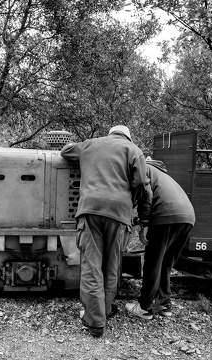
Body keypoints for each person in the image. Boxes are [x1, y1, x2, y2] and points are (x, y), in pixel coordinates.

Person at [60, 125, 148, 337]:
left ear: (110, 134)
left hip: (90, 210)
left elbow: (65, 151)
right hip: (119, 214)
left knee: (92, 266)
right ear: (127, 136)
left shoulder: (91, 144)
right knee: (111, 267)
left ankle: (95, 322)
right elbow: (141, 183)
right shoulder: (134, 150)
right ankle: (105, 311)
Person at [125, 158, 196, 320]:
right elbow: (160, 199)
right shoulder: (163, 175)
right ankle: (164, 305)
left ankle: (144, 307)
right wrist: (137, 221)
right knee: (165, 263)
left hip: (164, 217)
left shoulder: (144, 169)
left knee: (152, 262)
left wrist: (144, 224)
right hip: (187, 217)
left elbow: (147, 194)